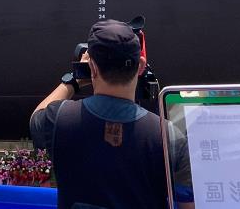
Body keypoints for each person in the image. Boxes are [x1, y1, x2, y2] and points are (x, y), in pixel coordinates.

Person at [30, 19, 187, 209]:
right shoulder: (169, 136)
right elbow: (189, 204)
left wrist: (73, 81)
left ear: (92, 67)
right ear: (141, 66)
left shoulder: (59, 118)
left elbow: (37, 116)